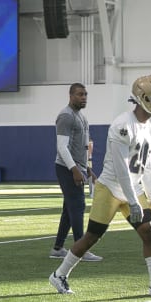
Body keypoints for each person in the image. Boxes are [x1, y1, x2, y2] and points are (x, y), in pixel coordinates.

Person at [49, 74, 151, 297]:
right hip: (110, 188)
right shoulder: (122, 125)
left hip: (133, 188)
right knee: (91, 237)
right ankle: (59, 275)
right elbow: (121, 169)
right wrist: (135, 202)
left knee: (149, 232)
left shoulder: (150, 129)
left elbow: (147, 167)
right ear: (143, 98)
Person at [50, 83, 102, 262]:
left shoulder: (81, 117)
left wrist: (87, 168)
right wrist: (74, 170)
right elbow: (62, 147)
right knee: (77, 206)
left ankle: (57, 248)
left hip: (77, 168)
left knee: (69, 209)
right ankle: (81, 249)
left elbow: (83, 147)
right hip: (66, 168)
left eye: (85, 94)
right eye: (80, 94)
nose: (84, 97)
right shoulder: (66, 116)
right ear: (71, 95)